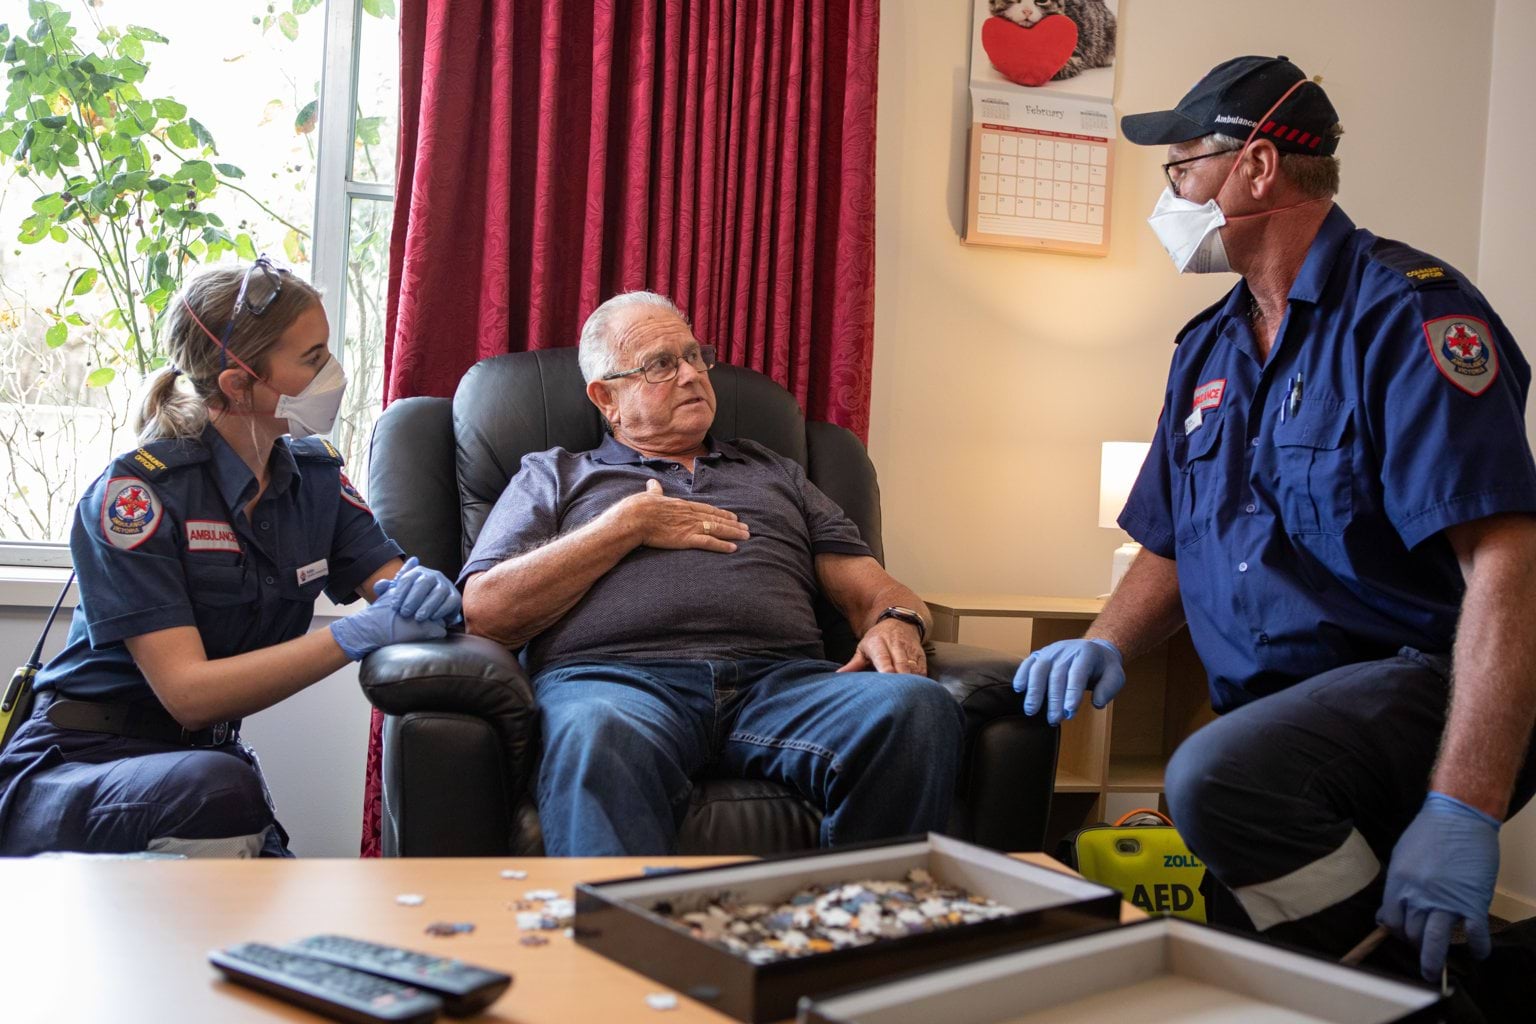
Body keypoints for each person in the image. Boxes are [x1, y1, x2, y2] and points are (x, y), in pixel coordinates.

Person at [1015, 56, 1536, 983]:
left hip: (1423, 682)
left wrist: (1467, 803)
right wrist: (1106, 640)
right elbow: (1175, 536)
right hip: (1283, 715)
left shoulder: (1408, 317)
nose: (1170, 196)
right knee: (1224, 932)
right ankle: (1384, 962)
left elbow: (1508, 557)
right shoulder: (1208, 345)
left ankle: (1414, 986)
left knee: (1216, 779)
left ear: (1257, 167)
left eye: (1182, 171)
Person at [459, 291, 966, 856]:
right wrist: (625, 526)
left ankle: (861, 930)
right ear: (606, 399)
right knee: (595, 733)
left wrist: (898, 620)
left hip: (781, 686)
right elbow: (484, 614)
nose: (691, 375)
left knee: (917, 708)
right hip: (616, 685)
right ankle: (630, 940)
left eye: (695, 356)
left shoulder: (777, 473)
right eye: (660, 364)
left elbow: (876, 590)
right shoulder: (554, 475)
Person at [0, 258, 460, 857]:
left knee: (281, 903)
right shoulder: (137, 498)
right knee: (221, 790)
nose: (334, 373)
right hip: (82, 763)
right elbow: (188, 694)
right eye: (313, 358)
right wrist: (355, 636)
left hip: (198, 769)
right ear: (239, 384)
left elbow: (392, 583)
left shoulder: (313, 480)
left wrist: (430, 592)